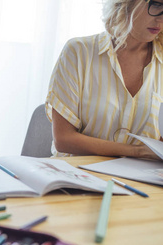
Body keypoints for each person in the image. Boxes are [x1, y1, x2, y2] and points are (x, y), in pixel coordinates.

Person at [46, 0, 163, 159]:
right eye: (157, 4)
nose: (161, 18)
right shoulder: (79, 52)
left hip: (136, 181)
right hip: (76, 175)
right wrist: (136, 151)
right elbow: (63, 139)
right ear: (126, 3)